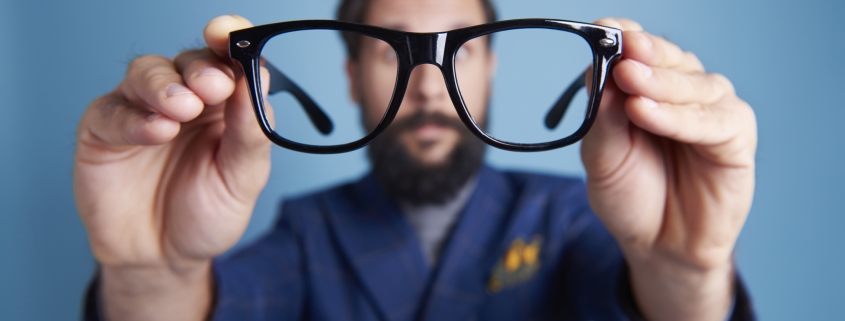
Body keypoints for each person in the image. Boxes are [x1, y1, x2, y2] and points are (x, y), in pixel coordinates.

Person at [74, 0, 758, 320]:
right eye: (388, 48)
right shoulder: (306, 230)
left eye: (461, 49)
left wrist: (682, 274)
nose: (429, 84)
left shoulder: (572, 213)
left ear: (491, 67)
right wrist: (153, 275)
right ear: (349, 78)